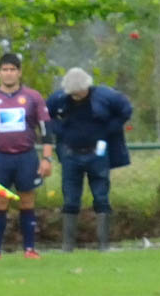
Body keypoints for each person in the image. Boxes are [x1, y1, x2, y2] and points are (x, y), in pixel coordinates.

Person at [0, 52, 54, 259]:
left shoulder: (33, 98)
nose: (9, 74)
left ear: (19, 73)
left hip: (26, 157)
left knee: (27, 202)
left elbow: (46, 131)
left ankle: (29, 249)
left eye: (13, 70)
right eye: (5, 70)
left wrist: (47, 158)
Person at [46, 68, 133, 252]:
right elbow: (45, 116)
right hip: (70, 154)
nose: (75, 96)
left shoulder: (106, 96)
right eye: (73, 94)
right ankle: (67, 246)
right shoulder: (59, 99)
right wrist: (59, 130)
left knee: (101, 197)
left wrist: (110, 130)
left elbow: (126, 110)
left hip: (98, 154)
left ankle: (104, 245)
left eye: (79, 93)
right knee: (70, 200)